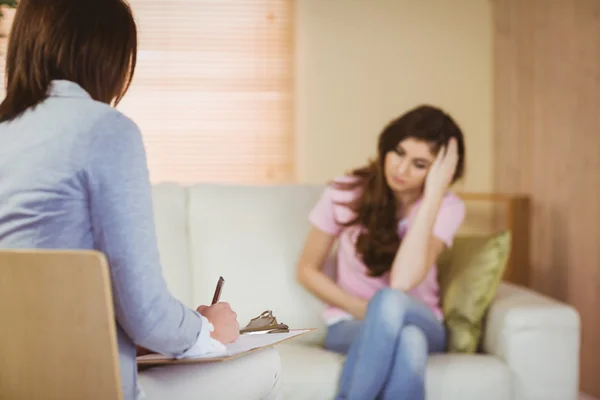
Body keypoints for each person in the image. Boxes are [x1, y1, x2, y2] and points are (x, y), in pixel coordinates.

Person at [0, 1, 281, 399]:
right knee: (265, 364)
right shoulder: (105, 130)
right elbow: (145, 314)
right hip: (90, 386)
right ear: (107, 53)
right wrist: (209, 329)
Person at [296, 105, 467, 400]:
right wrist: (360, 308)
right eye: (398, 152)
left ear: (441, 172)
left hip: (422, 320)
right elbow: (306, 269)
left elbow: (402, 282)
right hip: (350, 323)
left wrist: (433, 195)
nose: (400, 169)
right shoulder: (345, 192)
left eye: (420, 164)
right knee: (409, 342)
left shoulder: (447, 207)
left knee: (391, 302)